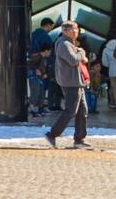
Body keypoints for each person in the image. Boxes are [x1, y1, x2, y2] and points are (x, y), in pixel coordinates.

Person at [45, 21, 91, 149]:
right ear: (65, 31)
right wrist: (82, 52)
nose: (77, 31)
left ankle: (79, 139)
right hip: (70, 82)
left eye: (77, 29)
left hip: (76, 81)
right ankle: (52, 134)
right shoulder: (64, 44)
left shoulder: (69, 43)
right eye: (74, 29)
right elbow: (73, 60)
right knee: (71, 110)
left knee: (82, 111)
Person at [28, 18, 59, 115]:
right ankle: (38, 108)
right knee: (40, 89)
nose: (51, 28)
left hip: (34, 69)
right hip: (41, 67)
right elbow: (49, 54)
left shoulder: (32, 35)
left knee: (36, 90)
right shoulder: (45, 37)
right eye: (51, 26)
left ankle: (37, 108)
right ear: (48, 25)